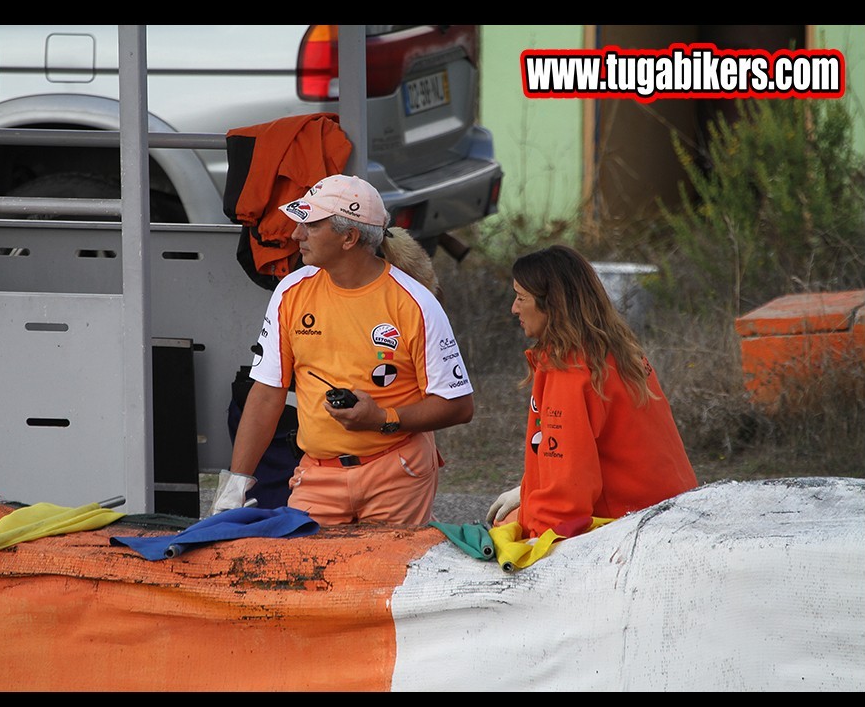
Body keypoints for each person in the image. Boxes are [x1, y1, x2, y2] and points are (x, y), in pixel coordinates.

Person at [213, 174, 474, 524]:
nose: (296, 235)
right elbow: (266, 393)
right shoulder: (291, 292)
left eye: (311, 225)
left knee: (385, 579)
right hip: (317, 476)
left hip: (396, 473)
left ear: (349, 237)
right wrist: (237, 482)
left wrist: (383, 419)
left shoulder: (415, 302)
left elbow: (458, 405)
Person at [486, 244, 697, 540]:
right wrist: (527, 490)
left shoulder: (570, 370)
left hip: (634, 525)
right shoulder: (617, 351)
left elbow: (563, 503)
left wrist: (528, 545)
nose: (514, 308)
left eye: (521, 298)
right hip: (676, 509)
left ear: (553, 306)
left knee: (506, 525)